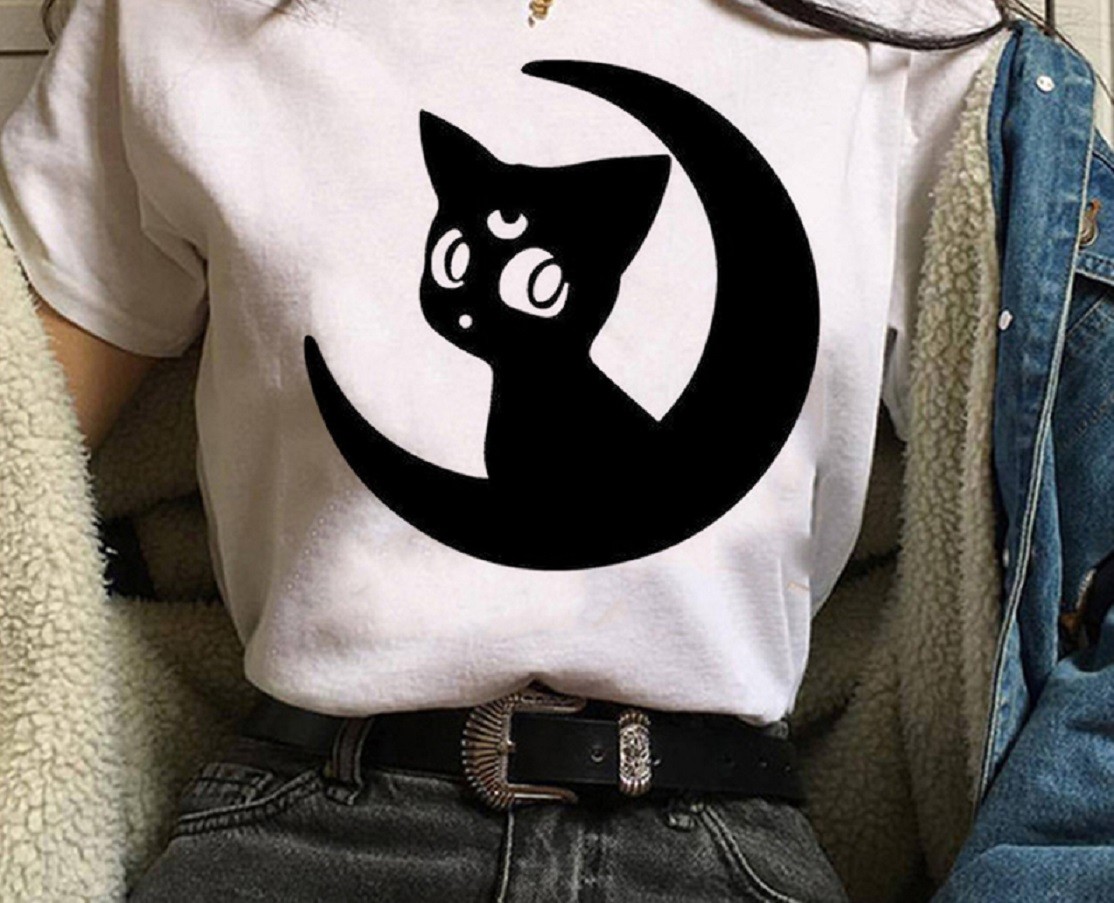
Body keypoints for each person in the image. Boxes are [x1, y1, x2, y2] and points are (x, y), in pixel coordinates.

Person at [0, 0, 1020, 899]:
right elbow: (24, 443)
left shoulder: (906, 31)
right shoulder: (192, 17)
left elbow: (1045, 520)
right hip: (312, 825)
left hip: (715, 833)